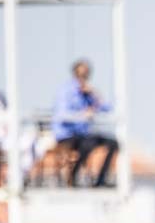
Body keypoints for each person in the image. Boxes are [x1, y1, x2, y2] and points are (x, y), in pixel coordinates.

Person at [51, 59, 118, 188]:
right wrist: (82, 115)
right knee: (88, 142)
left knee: (113, 143)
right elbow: (61, 115)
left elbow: (107, 108)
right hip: (67, 135)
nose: (84, 77)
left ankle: (100, 180)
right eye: (81, 74)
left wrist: (95, 93)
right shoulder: (66, 91)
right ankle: (73, 176)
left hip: (84, 135)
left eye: (86, 74)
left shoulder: (88, 92)